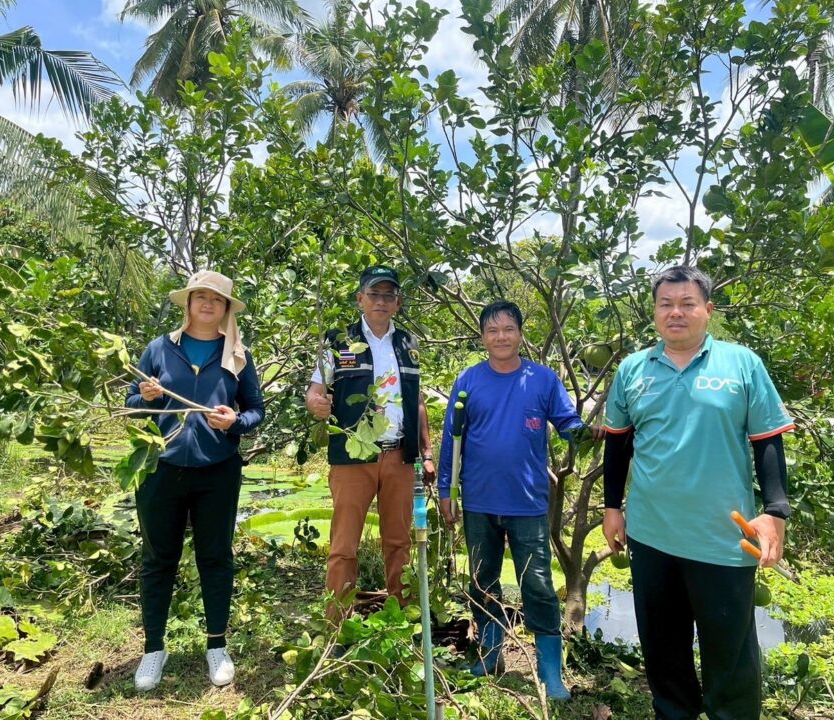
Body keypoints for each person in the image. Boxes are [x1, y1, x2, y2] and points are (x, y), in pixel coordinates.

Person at [602, 265, 794, 720]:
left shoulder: (741, 364)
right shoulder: (633, 370)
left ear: (708, 310)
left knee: (731, 665)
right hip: (651, 536)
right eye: (666, 304)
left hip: (722, 539)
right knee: (664, 658)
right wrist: (612, 507)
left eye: (687, 304)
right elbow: (617, 443)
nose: (676, 312)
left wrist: (776, 510)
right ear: (654, 312)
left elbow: (768, 440)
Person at [438, 301, 600, 701]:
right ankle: (490, 655)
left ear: (520, 334)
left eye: (508, 329)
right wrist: (446, 491)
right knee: (483, 581)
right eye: (493, 331)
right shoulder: (468, 381)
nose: (501, 337)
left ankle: (550, 672)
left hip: (527, 503)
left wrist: (589, 433)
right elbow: (451, 442)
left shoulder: (542, 379)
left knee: (538, 585)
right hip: (479, 500)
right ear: (483, 337)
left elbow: (567, 423)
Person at [126, 271, 265, 691]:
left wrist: (234, 421)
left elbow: (256, 411)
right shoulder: (159, 349)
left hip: (217, 471)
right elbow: (131, 403)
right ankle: (154, 649)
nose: (207, 304)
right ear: (187, 303)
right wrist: (145, 397)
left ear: (225, 309)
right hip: (160, 468)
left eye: (216, 299)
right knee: (158, 559)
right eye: (200, 296)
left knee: (216, 557)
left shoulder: (237, 355)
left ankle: (217, 645)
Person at [304, 265, 434, 619]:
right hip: (352, 459)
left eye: (389, 295)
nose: (381, 301)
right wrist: (316, 404)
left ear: (398, 303)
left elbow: (417, 401)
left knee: (399, 543)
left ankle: (401, 621)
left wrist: (427, 452)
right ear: (360, 299)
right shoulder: (338, 342)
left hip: (399, 457)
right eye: (374, 294)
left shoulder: (409, 344)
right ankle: (336, 625)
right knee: (344, 546)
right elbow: (315, 391)